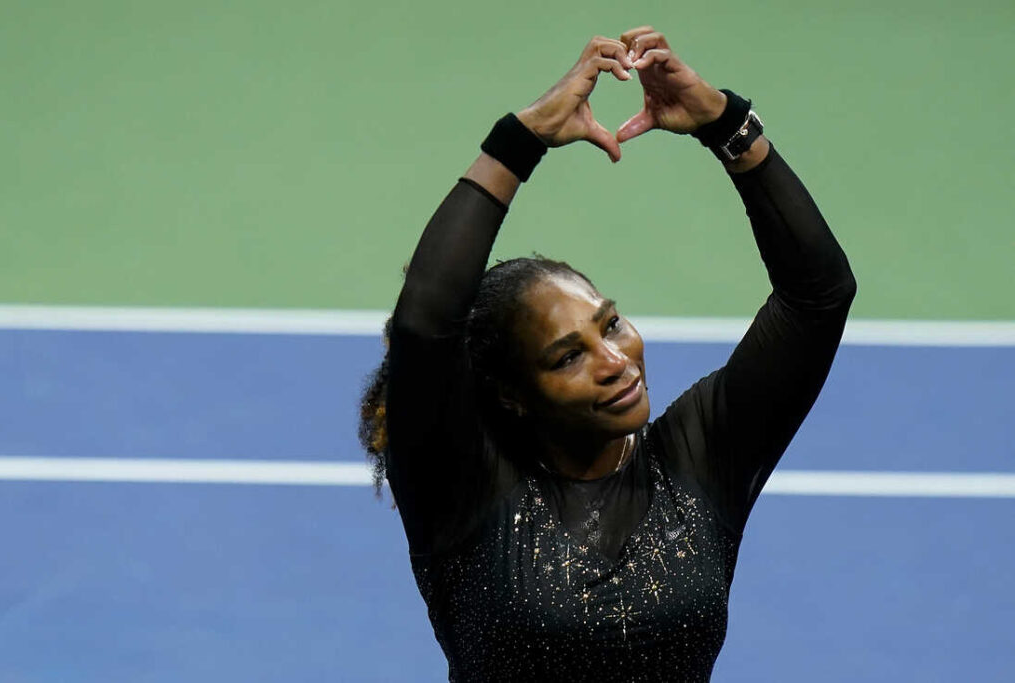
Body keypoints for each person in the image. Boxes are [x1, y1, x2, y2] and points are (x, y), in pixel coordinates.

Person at [359, 26, 856, 682]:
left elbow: (819, 296)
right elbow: (425, 324)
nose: (614, 359)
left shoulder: (699, 457)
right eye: (568, 356)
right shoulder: (462, 487)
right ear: (512, 392)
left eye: (611, 324)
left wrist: (726, 124)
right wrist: (520, 140)